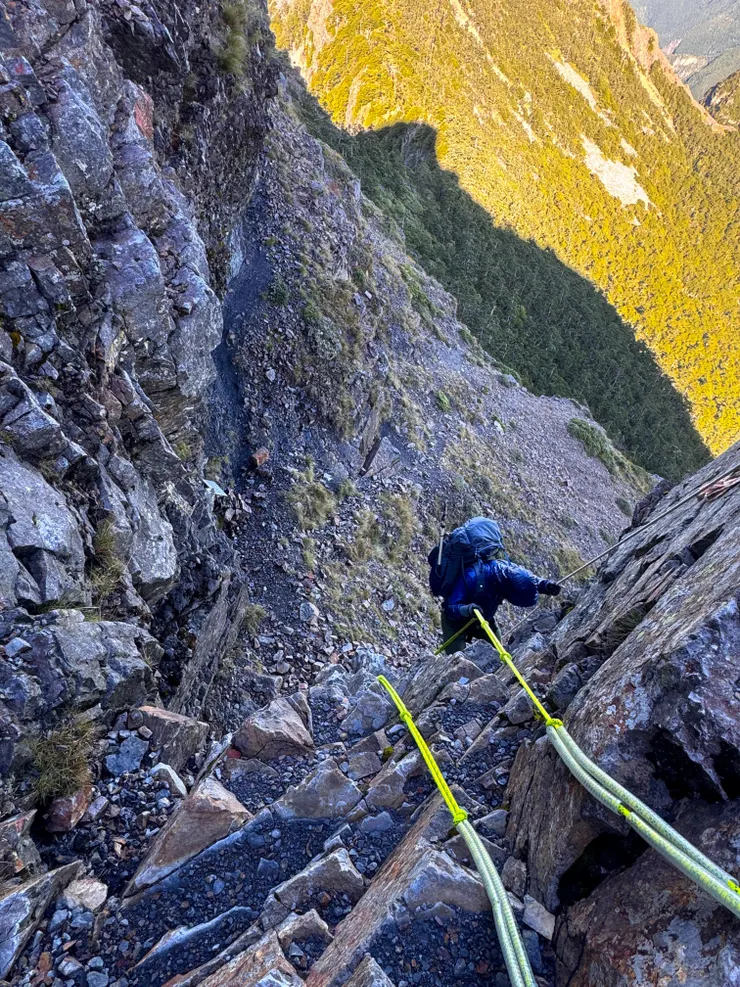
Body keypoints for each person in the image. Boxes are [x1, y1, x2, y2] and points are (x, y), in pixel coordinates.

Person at [440, 556, 561, 654]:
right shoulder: (471, 577)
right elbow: (451, 607)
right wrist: (467, 610)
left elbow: (530, 579)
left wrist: (545, 585)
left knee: (498, 654)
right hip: (456, 622)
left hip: (484, 620)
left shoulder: (509, 571)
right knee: (456, 660)